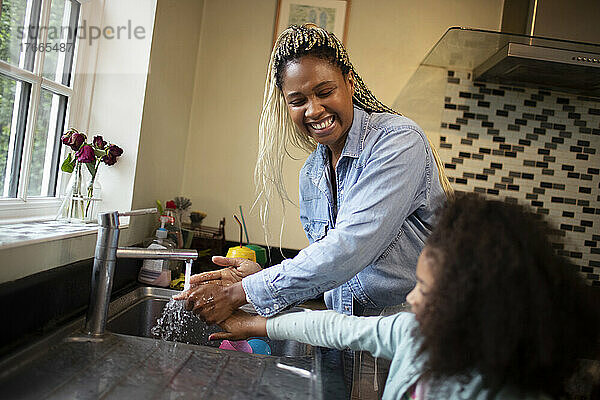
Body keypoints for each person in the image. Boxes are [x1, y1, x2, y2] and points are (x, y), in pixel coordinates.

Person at [175, 23, 452, 397]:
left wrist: (243, 292)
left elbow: (351, 247)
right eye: (298, 100)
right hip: (338, 340)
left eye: (325, 92)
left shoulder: (398, 142)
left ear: (349, 83)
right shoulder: (312, 175)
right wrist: (262, 277)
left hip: (406, 338)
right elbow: (330, 269)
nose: (314, 110)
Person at [209, 194, 600, 400]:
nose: (411, 298)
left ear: (473, 306)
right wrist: (253, 324)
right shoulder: (418, 334)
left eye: (425, 289)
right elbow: (332, 327)